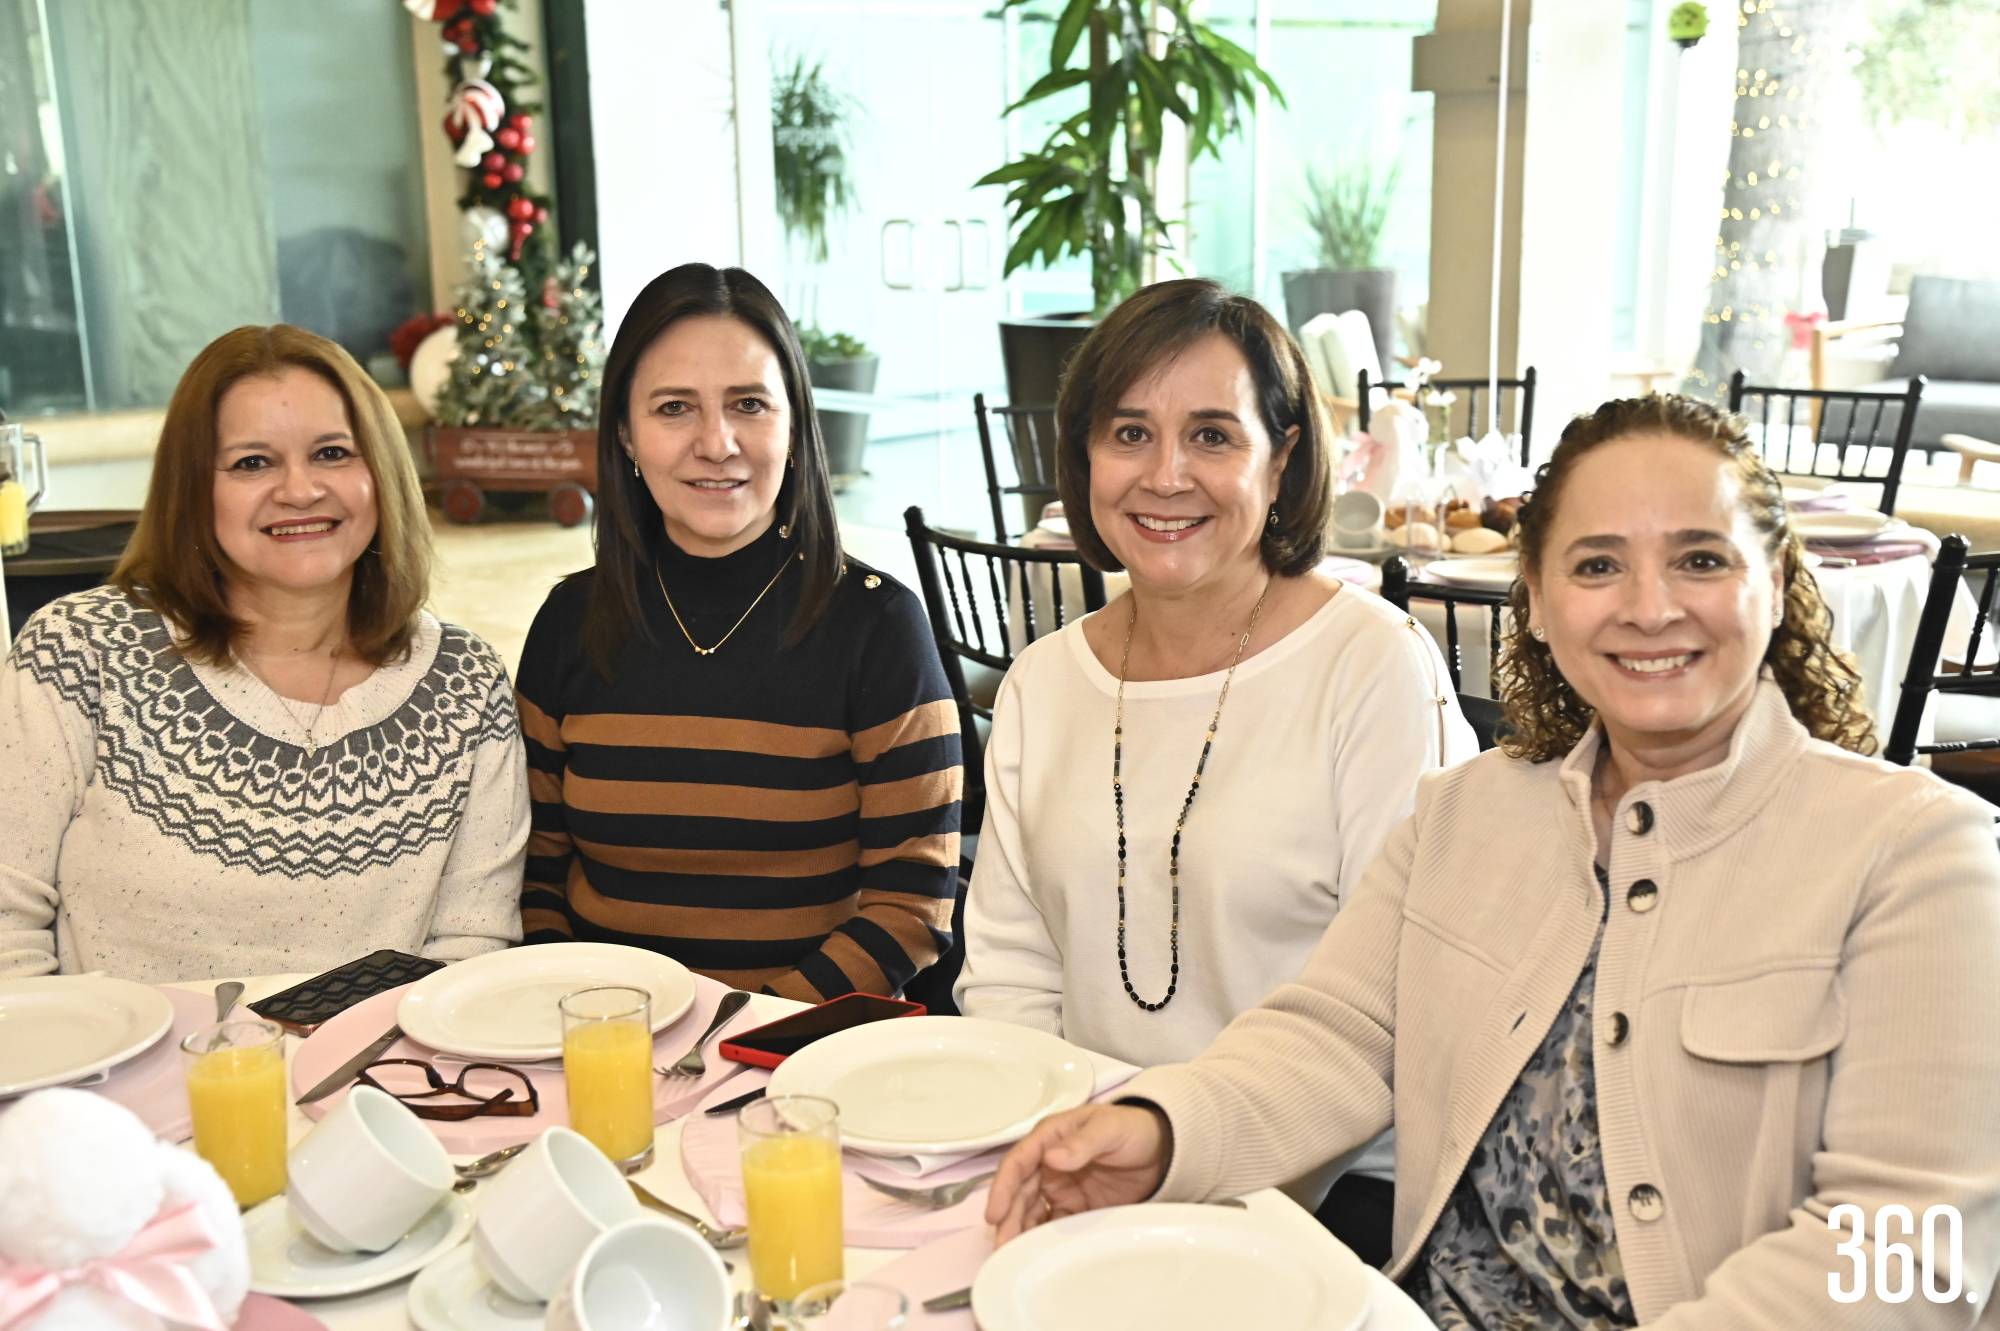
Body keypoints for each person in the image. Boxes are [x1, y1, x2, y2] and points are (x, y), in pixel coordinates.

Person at [984, 394, 2000, 1327]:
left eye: (1699, 559)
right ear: (1540, 602)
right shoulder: (1464, 812)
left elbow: (1909, 1251)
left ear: (1774, 583)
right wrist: (1164, 1129)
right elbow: (1336, 1038)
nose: (1648, 607)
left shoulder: (1915, 852)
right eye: (1596, 564)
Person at [955, 278, 1477, 1263]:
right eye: (1127, 434)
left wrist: (1179, 1161)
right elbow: (1010, 972)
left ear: (1280, 460)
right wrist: (1063, 1151)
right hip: (1088, 1175)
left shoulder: (1367, 667)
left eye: (1210, 435)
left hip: (1325, 1196)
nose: (1164, 476)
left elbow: (1402, 1005)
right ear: (1081, 457)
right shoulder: (1041, 682)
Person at [0, 325, 529, 982]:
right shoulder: (78, 652)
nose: (300, 490)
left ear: (383, 473)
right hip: (107, 1080)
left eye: (333, 453)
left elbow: (472, 949)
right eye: (253, 462)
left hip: (378, 1081)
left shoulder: (465, 684)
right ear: (193, 489)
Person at [514, 263, 961, 1002]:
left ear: (793, 427)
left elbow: (911, 907)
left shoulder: (879, 627)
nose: (717, 442)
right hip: (603, 1050)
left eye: (749, 404)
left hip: (803, 1062)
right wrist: (599, 1024)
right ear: (625, 434)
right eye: (674, 408)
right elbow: (536, 877)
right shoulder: (570, 623)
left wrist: (730, 1037)